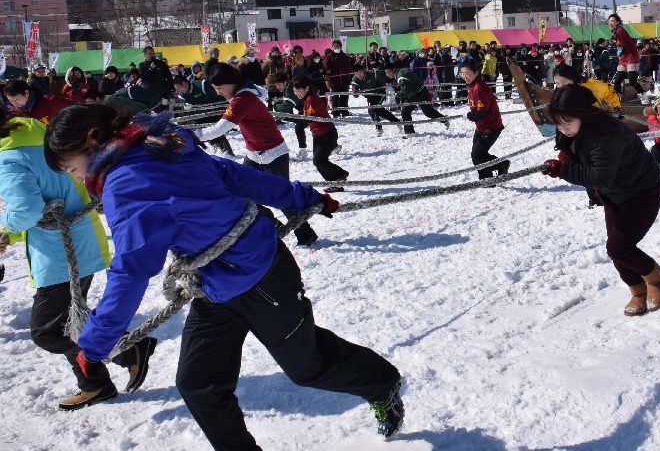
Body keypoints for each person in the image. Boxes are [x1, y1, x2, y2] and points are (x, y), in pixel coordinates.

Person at [43, 104, 404, 448]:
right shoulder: (158, 143)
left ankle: (380, 382)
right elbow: (230, 173)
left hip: (261, 276)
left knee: (307, 367)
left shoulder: (128, 181)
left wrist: (94, 344)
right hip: (214, 284)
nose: (76, 176)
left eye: (70, 166)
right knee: (198, 383)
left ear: (91, 140)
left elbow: (132, 270)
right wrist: (300, 196)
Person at [0, 106, 155, 410]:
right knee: (72, 321)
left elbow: (26, 211)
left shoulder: (8, 159)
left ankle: (126, 349)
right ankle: (95, 384)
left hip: (59, 255)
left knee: (48, 331)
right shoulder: (36, 134)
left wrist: (8, 228)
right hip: (82, 240)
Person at [540, 85, 660, 316]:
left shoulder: (605, 136)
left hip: (642, 191)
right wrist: (566, 156)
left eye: (567, 122)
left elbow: (600, 178)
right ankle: (638, 290)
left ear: (583, 114)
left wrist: (564, 169)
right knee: (616, 249)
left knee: (619, 246)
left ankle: (658, 279)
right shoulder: (573, 128)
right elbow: (574, 150)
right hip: (615, 194)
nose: (562, 128)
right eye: (558, 123)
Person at [200, 63, 318, 245]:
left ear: (230, 83)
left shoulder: (243, 99)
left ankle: (306, 234)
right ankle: (272, 227)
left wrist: (193, 135)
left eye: (219, 88)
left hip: (274, 155)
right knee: (242, 194)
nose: (218, 93)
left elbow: (220, 129)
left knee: (282, 198)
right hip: (254, 155)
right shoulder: (241, 97)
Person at [292, 75, 349, 191]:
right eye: (294, 91)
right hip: (318, 135)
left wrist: (294, 121)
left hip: (326, 135)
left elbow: (309, 118)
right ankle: (335, 183)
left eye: (298, 91)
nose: (296, 94)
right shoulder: (308, 98)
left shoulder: (311, 100)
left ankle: (340, 174)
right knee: (318, 162)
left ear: (306, 88)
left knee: (319, 161)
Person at [459, 61, 509, 181]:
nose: (464, 76)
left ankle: (492, 174)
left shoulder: (479, 88)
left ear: (476, 73)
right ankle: (490, 173)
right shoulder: (472, 86)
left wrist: (469, 116)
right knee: (477, 155)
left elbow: (482, 113)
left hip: (491, 127)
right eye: (462, 73)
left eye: (467, 73)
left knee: (477, 155)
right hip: (481, 127)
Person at [172, 75, 234, 156]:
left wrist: (230, 103)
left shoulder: (202, 85)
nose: (178, 90)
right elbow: (184, 107)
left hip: (217, 112)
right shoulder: (182, 95)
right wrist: (186, 107)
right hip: (200, 116)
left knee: (214, 132)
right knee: (205, 134)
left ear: (183, 83)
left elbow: (221, 94)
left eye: (178, 87)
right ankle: (218, 150)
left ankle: (228, 153)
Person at [383, 64, 449, 138]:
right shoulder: (399, 73)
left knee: (428, 112)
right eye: (385, 73)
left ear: (393, 70)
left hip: (421, 93)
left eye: (388, 72)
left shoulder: (401, 76)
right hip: (413, 94)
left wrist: (396, 94)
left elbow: (405, 91)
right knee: (405, 111)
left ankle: (444, 119)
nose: (387, 74)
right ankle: (410, 132)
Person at [608, 13, 649, 104]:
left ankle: (643, 95)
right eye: (609, 21)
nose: (610, 23)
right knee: (617, 80)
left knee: (632, 80)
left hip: (631, 57)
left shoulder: (620, 31)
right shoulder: (616, 31)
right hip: (623, 58)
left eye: (613, 21)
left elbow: (620, 46)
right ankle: (618, 98)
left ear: (617, 22)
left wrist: (614, 48)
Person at [552, 63, 621, 115]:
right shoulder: (559, 93)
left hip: (595, 120)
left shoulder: (591, 86)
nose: (561, 86)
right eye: (557, 83)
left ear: (572, 77)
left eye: (563, 81)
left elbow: (609, 91)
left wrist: (616, 108)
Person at [351, 66, 401, 137]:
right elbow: (354, 89)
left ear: (363, 71)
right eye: (356, 74)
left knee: (372, 110)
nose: (359, 75)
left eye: (360, 73)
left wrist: (394, 83)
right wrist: (355, 92)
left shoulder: (373, 74)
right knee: (380, 111)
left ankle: (378, 128)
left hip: (379, 94)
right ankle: (397, 121)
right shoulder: (355, 79)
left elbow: (387, 79)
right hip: (370, 96)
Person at [5, 79, 74, 124]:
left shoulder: (50, 102)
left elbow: (75, 107)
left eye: (17, 99)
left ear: (26, 93)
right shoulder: (13, 114)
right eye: (11, 101)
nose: (15, 104)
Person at [323, 40, 355, 118]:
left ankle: (344, 111)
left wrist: (349, 76)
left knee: (344, 97)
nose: (336, 47)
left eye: (337, 46)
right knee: (335, 98)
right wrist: (328, 72)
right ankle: (335, 113)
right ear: (332, 47)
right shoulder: (329, 56)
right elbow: (325, 67)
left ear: (340, 46)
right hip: (334, 81)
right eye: (335, 46)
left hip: (344, 80)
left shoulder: (344, 56)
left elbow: (349, 67)